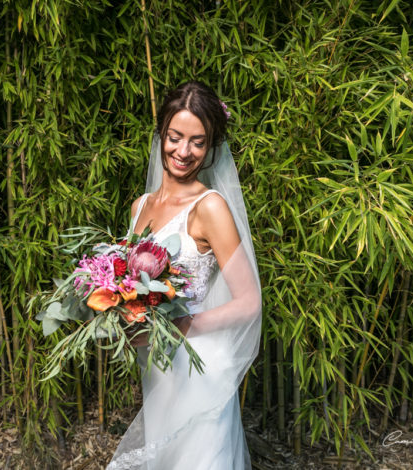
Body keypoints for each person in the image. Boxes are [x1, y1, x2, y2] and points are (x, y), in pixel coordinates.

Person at [107, 81, 262, 470]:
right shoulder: (139, 207)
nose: (183, 151)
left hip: (201, 364)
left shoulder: (210, 207)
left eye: (197, 141)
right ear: (161, 134)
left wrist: (184, 325)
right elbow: (133, 289)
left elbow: (249, 302)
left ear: (210, 146)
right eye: (175, 137)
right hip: (158, 363)